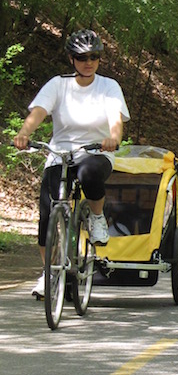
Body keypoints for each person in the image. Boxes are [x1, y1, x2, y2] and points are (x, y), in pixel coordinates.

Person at [13, 29, 130, 298]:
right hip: (60, 153)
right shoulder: (58, 85)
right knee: (46, 213)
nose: (88, 62)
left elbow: (115, 118)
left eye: (94, 56)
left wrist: (112, 138)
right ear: (71, 59)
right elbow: (39, 112)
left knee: (90, 173)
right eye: (81, 57)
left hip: (96, 152)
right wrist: (24, 134)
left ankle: (97, 218)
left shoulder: (109, 86)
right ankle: (49, 272)